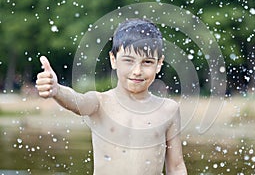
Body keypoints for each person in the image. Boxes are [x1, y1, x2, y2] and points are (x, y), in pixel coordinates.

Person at [36, 18, 188, 175]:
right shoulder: (101, 103)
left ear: (159, 64)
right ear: (113, 60)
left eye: (147, 62)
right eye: (128, 61)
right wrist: (57, 90)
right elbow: (78, 102)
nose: (137, 71)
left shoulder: (168, 110)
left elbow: (176, 167)